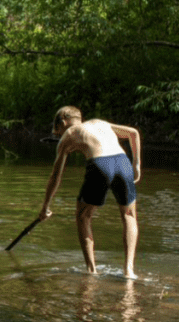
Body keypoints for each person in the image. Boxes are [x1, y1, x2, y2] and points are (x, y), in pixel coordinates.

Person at [38, 106, 141, 279]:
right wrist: (136, 164)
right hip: (123, 162)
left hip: (101, 164)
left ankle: (91, 271)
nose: (59, 135)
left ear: (63, 121)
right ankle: (129, 271)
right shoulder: (100, 123)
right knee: (129, 215)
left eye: (58, 131)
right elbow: (133, 134)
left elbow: (56, 176)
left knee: (83, 216)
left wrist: (45, 207)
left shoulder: (69, 134)